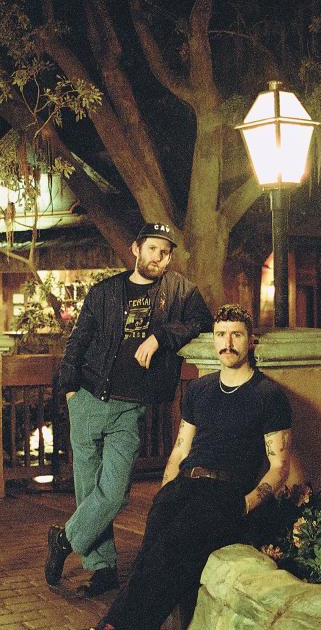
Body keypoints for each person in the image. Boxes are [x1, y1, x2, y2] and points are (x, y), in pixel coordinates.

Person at [51, 305, 292, 630]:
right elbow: (181, 449)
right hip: (183, 489)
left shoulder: (268, 395)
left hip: (226, 494)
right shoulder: (199, 390)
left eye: (236, 335)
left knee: (164, 555)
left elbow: (279, 466)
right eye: (221, 335)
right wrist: (164, 492)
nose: (227, 343)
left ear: (251, 341)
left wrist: (245, 504)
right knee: (152, 558)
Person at [44, 222, 212, 598]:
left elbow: (203, 322)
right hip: (88, 398)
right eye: (152, 249)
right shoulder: (105, 292)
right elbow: (78, 341)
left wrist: (160, 336)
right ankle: (102, 568)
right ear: (137, 249)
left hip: (130, 408)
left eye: (165, 252)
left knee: (115, 493)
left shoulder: (181, 291)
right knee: (89, 490)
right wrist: (69, 391)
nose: (158, 258)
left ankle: (64, 539)